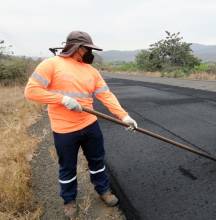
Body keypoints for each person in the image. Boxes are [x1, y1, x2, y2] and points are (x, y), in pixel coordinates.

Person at [24, 31, 138, 218]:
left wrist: (123, 116)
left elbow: (106, 95)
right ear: (77, 47)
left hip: (90, 125)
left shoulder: (91, 71)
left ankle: (103, 190)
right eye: (88, 48)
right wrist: (61, 99)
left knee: (97, 161)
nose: (90, 52)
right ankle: (69, 200)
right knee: (67, 167)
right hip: (64, 130)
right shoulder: (51, 64)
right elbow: (31, 92)